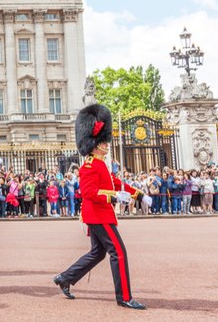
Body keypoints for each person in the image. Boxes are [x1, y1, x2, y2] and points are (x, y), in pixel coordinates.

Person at [54, 104, 151, 310]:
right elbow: (88, 193)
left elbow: (115, 183)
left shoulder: (100, 163)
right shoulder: (89, 165)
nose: (107, 145)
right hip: (97, 215)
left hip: (100, 214)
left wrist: (139, 194)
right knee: (118, 252)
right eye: (103, 142)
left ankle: (65, 278)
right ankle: (124, 297)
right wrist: (115, 198)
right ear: (94, 144)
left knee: (98, 253)